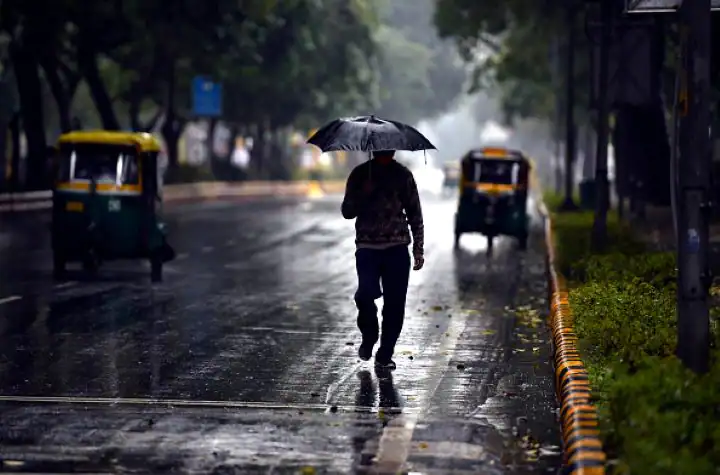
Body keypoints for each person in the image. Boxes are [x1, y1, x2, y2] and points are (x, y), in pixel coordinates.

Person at [341, 149, 424, 370]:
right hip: (367, 248)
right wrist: (362, 193)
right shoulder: (360, 174)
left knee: (395, 306)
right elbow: (346, 211)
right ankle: (369, 336)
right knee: (364, 295)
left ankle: (385, 354)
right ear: (374, 149)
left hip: (397, 248)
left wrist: (418, 248)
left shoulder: (403, 175)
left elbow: (415, 213)